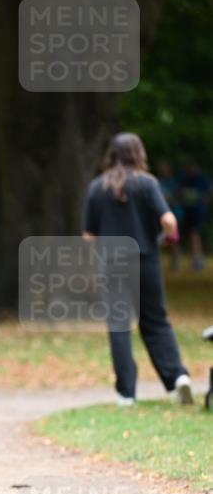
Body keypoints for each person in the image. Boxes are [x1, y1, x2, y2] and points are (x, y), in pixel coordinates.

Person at [82, 132, 193, 406]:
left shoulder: (97, 187)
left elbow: (88, 235)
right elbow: (168, 220)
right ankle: (177, 377)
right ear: (139, 154)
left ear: (112, 155)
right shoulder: (147, 183)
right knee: (156, 320)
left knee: (119, 326)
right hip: (146, 259)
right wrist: (170, 236)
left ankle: (126, 394)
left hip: (113, 264)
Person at [175, 159, 210, 271]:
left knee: (194, 233)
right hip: (186, 211)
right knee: (188, 234)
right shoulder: (184, 179)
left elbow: (208, 195)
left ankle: (197, 259)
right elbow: (178, 193)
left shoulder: (202, 179)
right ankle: (193, 258)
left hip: (198, 211)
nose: (191, 170)